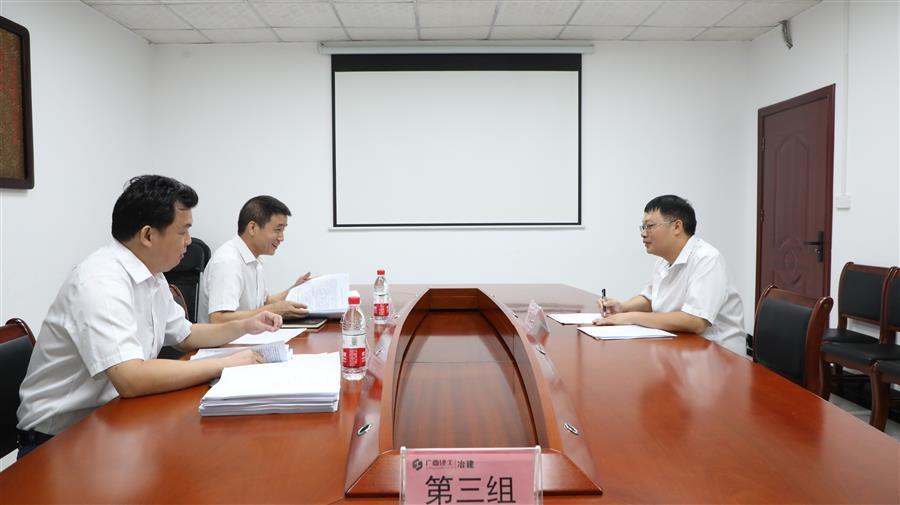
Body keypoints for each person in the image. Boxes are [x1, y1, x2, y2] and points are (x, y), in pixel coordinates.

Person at [16, 175, 280, 458]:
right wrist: (225, 364)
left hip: (112, 421)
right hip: (56, 443)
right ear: (148, 235)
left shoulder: (152, 275)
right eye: (183, 231)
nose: (189, 241)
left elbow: (186, 335)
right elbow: (130, 378)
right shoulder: (100, 281)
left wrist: (245, 325)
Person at [594, 195, 746, 356]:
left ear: (677, 227)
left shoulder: (707, 259)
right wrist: (622, 308)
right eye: (643, 227)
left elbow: (696, 321)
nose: (643, 234)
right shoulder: (663, 261)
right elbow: (650, 298)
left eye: (650, 226)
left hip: (717, 355)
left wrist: (631, 317)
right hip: (680, 347)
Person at [199, 195, 310, 324]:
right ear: (252, 228)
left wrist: (294, 290)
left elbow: (263, 303)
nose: (281, 238)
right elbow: (218, 319)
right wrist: (273, 310)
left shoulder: (254, 260)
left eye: (283, 230)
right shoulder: (228, 262)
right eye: (278, 230)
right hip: (229, 338)